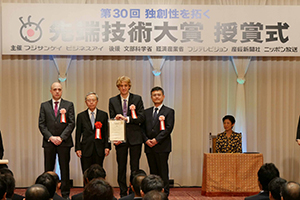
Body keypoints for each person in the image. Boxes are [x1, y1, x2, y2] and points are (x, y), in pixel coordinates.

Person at [109, 76, 145, 197]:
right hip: (120, 139)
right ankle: (123, 192)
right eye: (121, 86)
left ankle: (133, 190)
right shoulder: (112, 100)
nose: (123, 88)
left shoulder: (137, 99)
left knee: (134, 167)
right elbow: (112, 121)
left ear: (129, 86)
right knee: (121, 166)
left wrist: (127, 119)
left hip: (135, 138)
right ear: (118, 87)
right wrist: (116, 120)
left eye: (125, 85)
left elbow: (141, 118)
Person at [38, 82, 75, 199]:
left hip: (64, 142)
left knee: (65, 169)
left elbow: (71, 123)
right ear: (51, 91)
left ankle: (65, 194)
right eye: (55, 89)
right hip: (49, 142)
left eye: (59, 89)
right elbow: (41, 124)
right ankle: (48, 193)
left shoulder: (68, 105)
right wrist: (51, 137)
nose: (57, 91)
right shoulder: (44, 105)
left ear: (62, 91)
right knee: (48, 169)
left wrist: (61, 137)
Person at [142, 86, 174, 196]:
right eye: (154, 95)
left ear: (163, 96)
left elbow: (168, 129)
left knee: (163, 171)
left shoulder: (169, 111)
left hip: (162, 146)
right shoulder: (146, 112)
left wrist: (156, 140)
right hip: (149, 146)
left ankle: (164, 194)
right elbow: (142, 129)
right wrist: (146, 140)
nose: (157, 97)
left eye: (159, 95)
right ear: (151, 97)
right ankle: (153, 193)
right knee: (153, 172)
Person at [75, 92, 110, 174]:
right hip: (86, 148)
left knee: (98, 171)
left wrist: (107, 146)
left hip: (99, 148)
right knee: (86, 172)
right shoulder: (81, 116)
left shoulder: (103, 115)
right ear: (85, 102)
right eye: (89, 100)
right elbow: (78, 133)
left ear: (97, 101)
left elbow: (106, 132)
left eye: (93, 100)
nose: (91, 102)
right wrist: (78, 148)